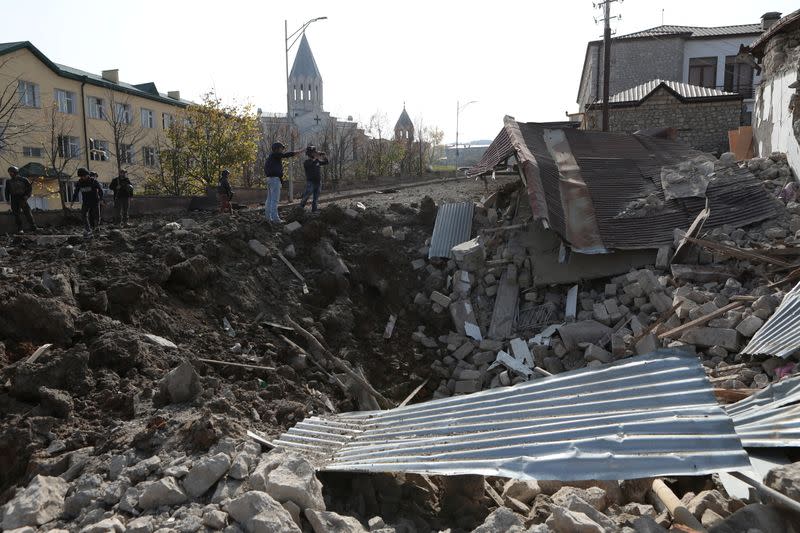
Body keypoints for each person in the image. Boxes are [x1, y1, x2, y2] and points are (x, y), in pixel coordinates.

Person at [263, 141, 302, 223]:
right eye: (281, 148)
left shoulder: (271, 157)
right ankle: (275, 219)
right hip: (274, 180)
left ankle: (268, 218)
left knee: (269, 199)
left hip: (270, 179)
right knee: (274, 200)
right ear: (276, 149)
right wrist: (296, 152)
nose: (282, 150)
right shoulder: (274, 155)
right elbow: (285, 155)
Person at [71, 168, 104, 237]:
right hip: (86, 201)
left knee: (96, 215)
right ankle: (87, 229)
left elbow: (100, 190)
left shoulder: (93, 181)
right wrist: (73, 201)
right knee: (83, 215)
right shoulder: (79, 182)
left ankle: (96, 227)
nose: (82, 178)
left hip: (95, 201)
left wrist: (101, 199)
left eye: (83, 176)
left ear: (87, 175)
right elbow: (76, 192)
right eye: (81, 177)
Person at [4, 166, 38, 233]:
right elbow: (7, 191)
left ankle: (34, 227)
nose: (10, 174)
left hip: (22, 198)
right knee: (16, 214)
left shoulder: (24, 179)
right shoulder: (9, 181)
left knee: (28, 213)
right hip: (14, 199)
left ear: (15, 172)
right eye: (9, 172)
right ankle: (20, 229)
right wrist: (7, 199)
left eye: (11, 172)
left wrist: (27, 196)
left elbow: (29, 188)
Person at [299, 146, 328, 213]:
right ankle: (300, 209)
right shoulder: (306, 162)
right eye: (313, 152)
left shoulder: (317, 161)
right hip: (311, 182)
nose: (315, 153)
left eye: (315, 152)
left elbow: (326, 162)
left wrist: (324, 156)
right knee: (306, 196)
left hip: (318, 182)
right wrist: (316, 158)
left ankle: (314, 210)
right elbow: (311, 164)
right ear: (310, 154)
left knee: (316, 198)